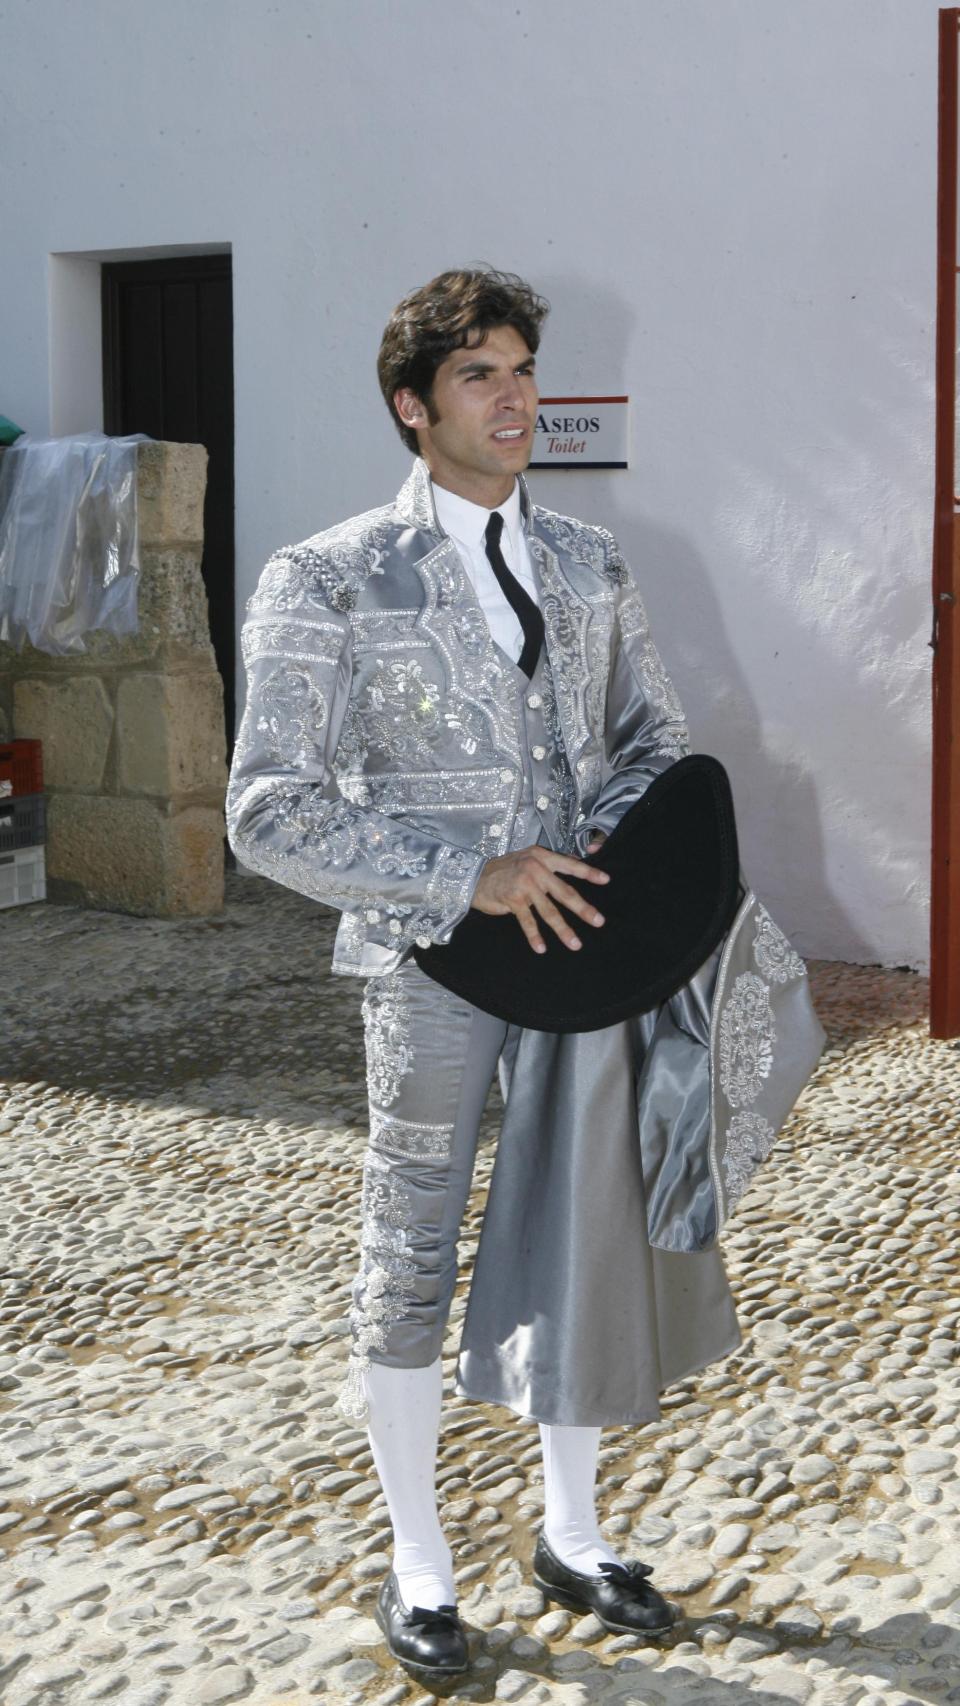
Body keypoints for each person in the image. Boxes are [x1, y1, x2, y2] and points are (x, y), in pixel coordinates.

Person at [226, 267, 746, 1679]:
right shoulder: (322, 576)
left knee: (581, 1232)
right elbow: (266, 807)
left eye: (522, 369)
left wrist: (596, 847)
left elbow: (659, 742)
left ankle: (570, 1534)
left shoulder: (590, 563)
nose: (515, 396)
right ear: (414, 407)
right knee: (409, 1252)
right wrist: (469, 871)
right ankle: (419, 1559)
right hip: (428, 962)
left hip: (583, 952)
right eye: (478, 375)